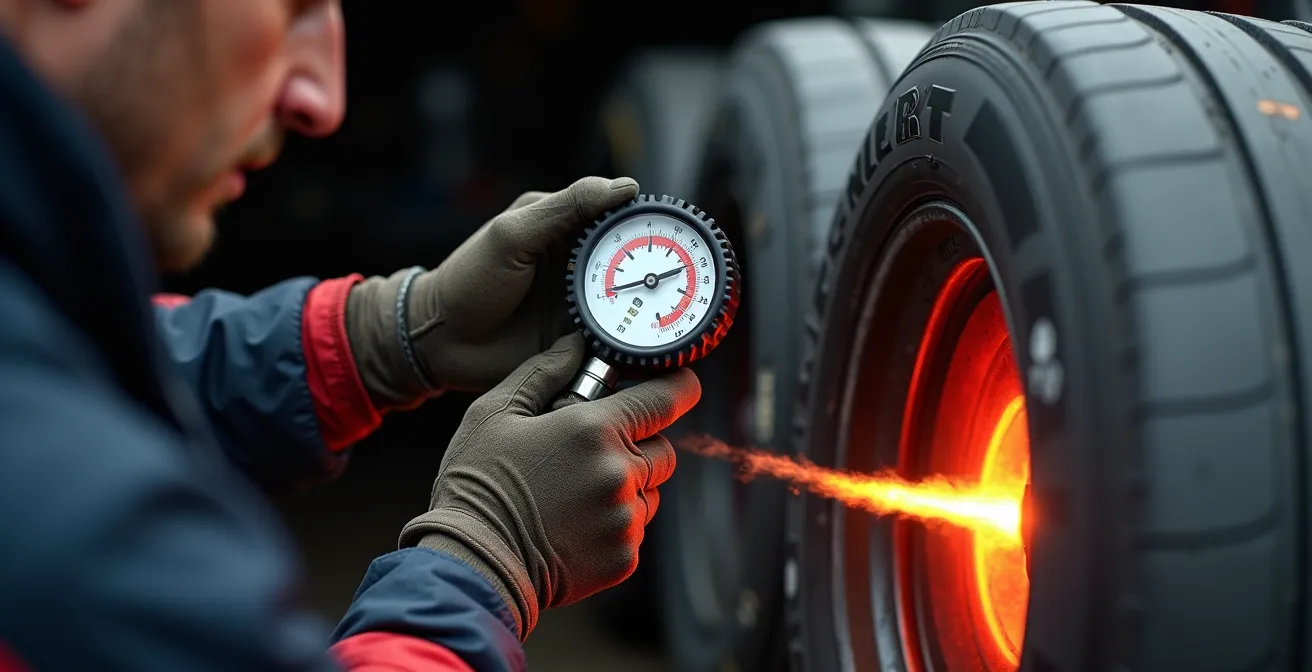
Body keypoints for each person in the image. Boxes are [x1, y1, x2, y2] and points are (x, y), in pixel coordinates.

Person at [0, 1, 701, 671]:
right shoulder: (87, 539)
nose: (323, 99)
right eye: (291, 6)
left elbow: (80, 361)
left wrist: (386, 334)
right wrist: (483, 556)